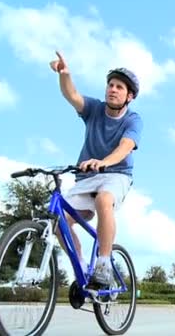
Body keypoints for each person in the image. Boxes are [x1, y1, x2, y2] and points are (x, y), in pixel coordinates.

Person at [49, 51, 143, 288]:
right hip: (86, 177)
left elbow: (125, 148)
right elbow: (72, 95)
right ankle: (81, 268)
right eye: (110, 85)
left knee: (104, 200)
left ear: (129, 96)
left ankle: (104, 264)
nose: (112, 89)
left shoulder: (133, 120)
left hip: (117, 175)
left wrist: (104, 162)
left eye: (119, 87)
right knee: (58, 220)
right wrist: (64, 74)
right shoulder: (94, 109)